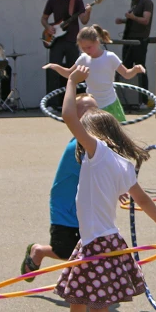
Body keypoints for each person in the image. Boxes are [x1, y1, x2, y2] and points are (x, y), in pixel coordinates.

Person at [48, 65, 156, 312]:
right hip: (97, 240)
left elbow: (67, 116)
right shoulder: (121, 164)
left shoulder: (98, 151)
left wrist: (70, 83)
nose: (77, 136)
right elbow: (143, 200)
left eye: (83, 131)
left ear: (94, 135)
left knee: (98, 308)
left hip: (99, 244)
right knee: (78, 301)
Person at [21, 94, 99, 281]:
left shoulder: (93, 142)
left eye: (95, 109)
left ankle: (86, 281)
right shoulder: (79, 147)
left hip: (85, 207)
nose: (93, 114)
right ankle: (38, 251)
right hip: (65, 207)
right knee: (65, 251)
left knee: (92, 246)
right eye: (87, 110)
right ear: (76, 118)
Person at [43, 25, 146, 122]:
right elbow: (69, 73)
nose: (86, 50)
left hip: (110, 103)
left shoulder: (110, 57)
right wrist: (55, 66)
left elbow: (126, 74)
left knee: (114, 136)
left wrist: (135, 69)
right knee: (92, 135)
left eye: (89, 47)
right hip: (91, 105)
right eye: (83, 48)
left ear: (97, 42)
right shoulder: (83, 58)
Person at [41, 0, 92, 99]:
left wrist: (88, 12)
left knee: (75, 71)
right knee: (53, 70)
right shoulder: (53, 0)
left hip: (73, 41)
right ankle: (52, 103)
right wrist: (48, 27)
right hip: (57, 41)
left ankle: (76, 100)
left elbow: (84, 21)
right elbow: (43, 18)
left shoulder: (77, 0)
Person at [115, 0, 153, 106]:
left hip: (139, 41)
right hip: (129, 40)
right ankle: (127, 99)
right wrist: (124, 21)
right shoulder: (134, 3)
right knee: (125, 68)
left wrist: (132, 17)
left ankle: (144, 99)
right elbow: (135, 20)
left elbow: (145, 20)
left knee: (140, 68)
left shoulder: (146, 2)